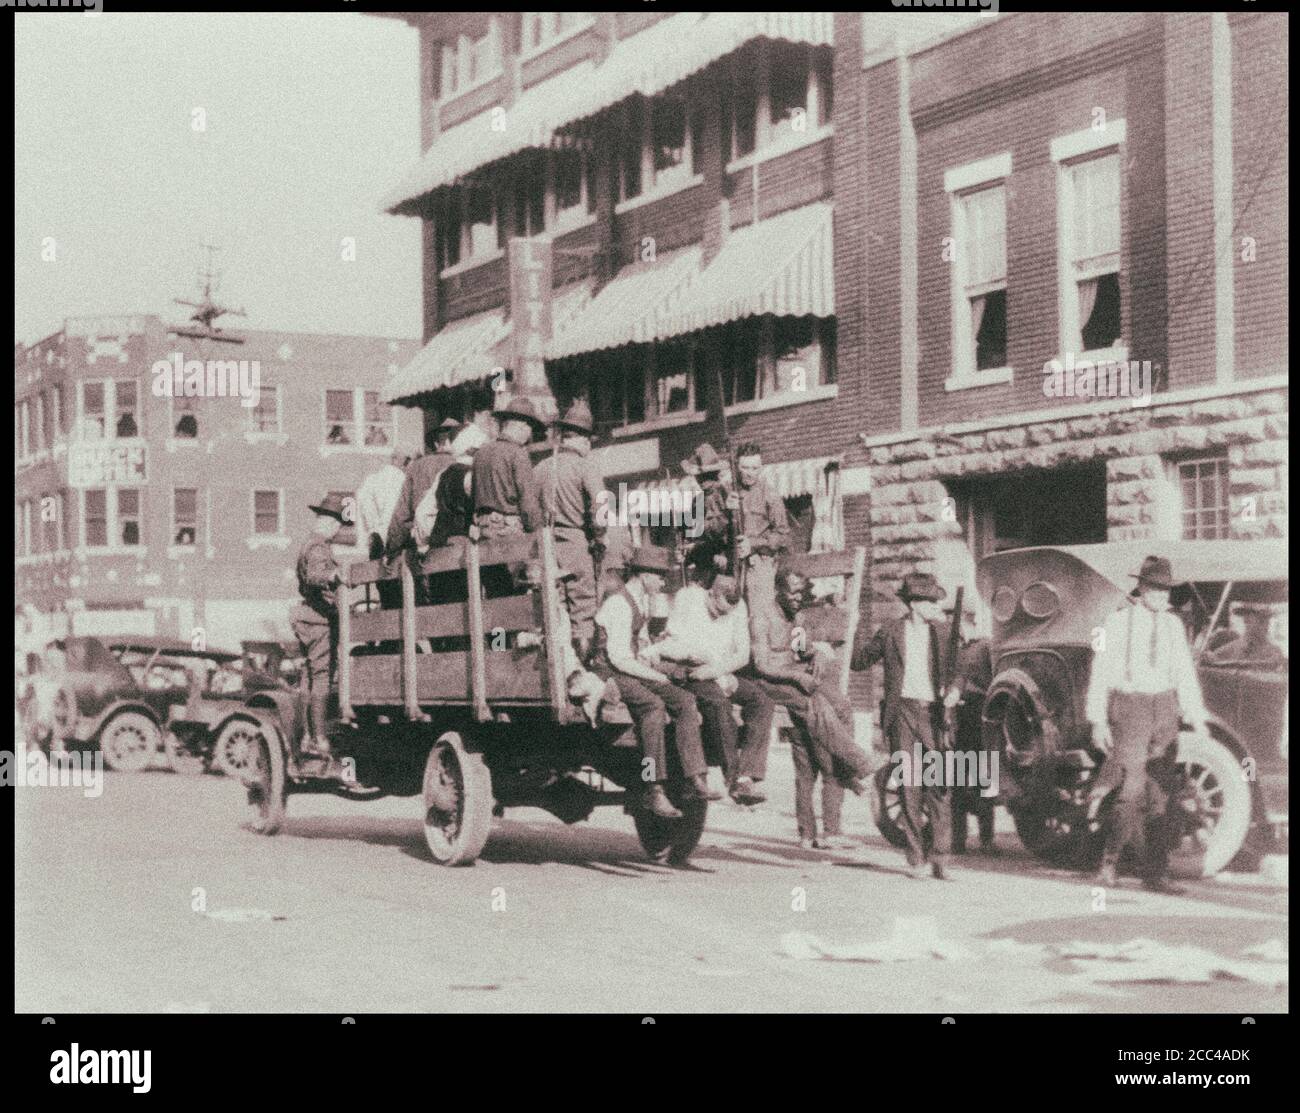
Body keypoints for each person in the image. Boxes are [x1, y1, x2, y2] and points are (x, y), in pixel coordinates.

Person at [1084, 555, 1210, 895]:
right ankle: (1109, 861)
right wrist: (1097, 720)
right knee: (1130, 791)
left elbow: (1184, 673)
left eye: (1166, 591)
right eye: (1155, 590)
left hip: (1164, 710)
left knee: (1161, 796)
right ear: (1140, 588)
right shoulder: (1116, 623)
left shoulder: (1172, 626)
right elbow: (1100, 674)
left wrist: (1196, 715)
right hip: (1130, 708)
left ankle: (1155, 873)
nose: (1161, 597)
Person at [591, 545, 722, 819]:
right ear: (643, 575)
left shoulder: (641, 600)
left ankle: (694, 777)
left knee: (685, 700)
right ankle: (653, 787)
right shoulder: (618, 603)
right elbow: (618, 658)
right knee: (652, 707)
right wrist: (656, 675)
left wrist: (653, 658)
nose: (662, 583)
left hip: (631, 666)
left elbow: (637, 647)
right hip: (610, 671)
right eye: (659, 576)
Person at [750, 568, 875, 849]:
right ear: (778, 590)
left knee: (841, 705)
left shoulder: (796, 617)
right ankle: (855, 763)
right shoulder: (761, 618)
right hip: (771, 682)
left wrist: (815, 653)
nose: (796, 599)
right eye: (791, 593)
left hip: (795, 678)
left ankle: (848, 767)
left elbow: (800, 649)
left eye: (800, 594)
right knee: (809, 755)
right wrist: (796, 675)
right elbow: (762, 665)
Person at [850, 572, 961, 879]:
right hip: (902, 714)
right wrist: (851, 627)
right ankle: (916, 857)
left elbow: (958, 669)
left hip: (933, 715)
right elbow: (859, 660)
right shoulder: (890, 632)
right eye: (930, 602)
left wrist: (954, 690)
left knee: (939, 786)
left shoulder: (942, 632)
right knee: (910, 786)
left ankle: (941, 858)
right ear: (914, 604)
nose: (935, 607)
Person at [654, 573, 774, 805]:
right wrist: (709, 668)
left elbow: (741, 654)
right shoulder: (688, 598)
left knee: (762, 700)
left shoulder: (737, 608)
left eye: (727, 612)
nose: (722, 616)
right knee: (719, 703)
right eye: (718, 611)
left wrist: (718, 671)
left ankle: (748, 775)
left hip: (719, 671)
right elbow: (676, 642)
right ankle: (733, 780)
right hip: (691, 669)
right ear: (711, 593)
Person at [535, 399, 605, 656]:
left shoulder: (541, 467)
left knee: (555, 611)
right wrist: (599, 537)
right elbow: (601, 507)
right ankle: (584, 671)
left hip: (546, 546)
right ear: (583, 440)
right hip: (576, 543)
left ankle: (558, 670)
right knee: (583, 611)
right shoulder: (586, 466)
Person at [291, 493, 348, 757]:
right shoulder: (318, 547)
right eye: (337, 524)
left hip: (308, 618)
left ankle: (304, 737)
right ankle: (319, 739)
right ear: (327, 522)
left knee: (309, 677)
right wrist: (334, 575)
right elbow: (315, 576)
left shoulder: (310, 543)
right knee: (322, 676)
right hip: (318, 619)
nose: (337, 531)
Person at [947, 601, 997, 855]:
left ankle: (987, 839)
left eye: (958, 622)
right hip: (959, 715)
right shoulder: (954, 649)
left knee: (984, 777)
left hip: (981, 714)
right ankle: (958, 839)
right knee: (957, 780)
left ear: (970, 621)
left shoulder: (986, 646)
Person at [384, 417, 461, 560]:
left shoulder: (417, 466)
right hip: (460, 548)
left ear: (436, 443)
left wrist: (391, 551)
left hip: (425, 546)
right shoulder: (465, 465)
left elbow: (401, 516)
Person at [471, 396, 545, 539]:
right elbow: (528, 502)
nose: (529, 435)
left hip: (483, 529)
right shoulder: (518, 454)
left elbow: (474, 496)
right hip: (509, 530)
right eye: (530, 429)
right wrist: (537, 531)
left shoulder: (480, 453)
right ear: (524, 426)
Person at [733, 442, 790, 624]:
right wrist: (727, 511)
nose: (750, 472)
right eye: (745, 467)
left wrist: (753, 543)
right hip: (731, 564)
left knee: (758, 617)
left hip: (759, 563)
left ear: (761, 468)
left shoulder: (770, 494)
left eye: (755, 468)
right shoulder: (728, 490)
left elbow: (783, 534)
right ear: (736, 466)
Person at [680, 443, 733, 580]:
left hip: (727, 562)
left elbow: (726, 528)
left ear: (716, 474)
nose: (703, 481)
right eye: (700, 477)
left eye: (708, 476)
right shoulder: (697, 501)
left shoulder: (726, 495)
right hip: (705, 564)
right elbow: (690, 534)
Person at [356, 448, 410, 561]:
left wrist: (374, 529)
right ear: (405, 462)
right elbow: (398, 513)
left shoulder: (371, 480)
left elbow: (364, 510)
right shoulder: (403, 480)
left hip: (375, 540)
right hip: (396, 540)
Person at [1206, 604, 1285, 668]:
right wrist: (1209, 657)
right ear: (1246, 621)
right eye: (1261, 620)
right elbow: (1211, 658)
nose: (1266, 625)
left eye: (1266, 620)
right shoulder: (1230, 648)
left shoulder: (1274, 652)